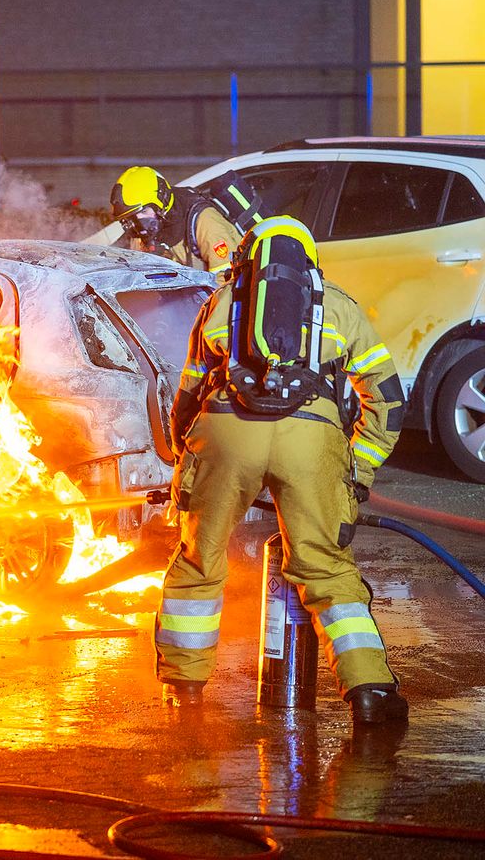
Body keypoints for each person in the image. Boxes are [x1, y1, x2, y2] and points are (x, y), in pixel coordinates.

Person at [158, 215, 407, 726]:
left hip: (227, 428)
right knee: (327, 570)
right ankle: (369, 694)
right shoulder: (339, 306)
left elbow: (188, 393)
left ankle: (184, 689)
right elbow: (387, 399)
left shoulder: (223, 302)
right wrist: (357, 468)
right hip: (311, 439)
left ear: (249, 256)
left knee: (199, 558)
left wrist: (187, 458)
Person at [110, 166, 242, 273]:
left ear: (162, 202)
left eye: (144, 211)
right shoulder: (143, 233)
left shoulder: (205, 222)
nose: (140, 223)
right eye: (133, 217)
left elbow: (225, 284)